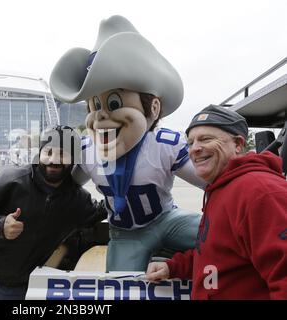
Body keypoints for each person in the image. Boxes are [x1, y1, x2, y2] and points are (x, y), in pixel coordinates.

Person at [50, 15, 205, 271]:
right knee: (118, 287)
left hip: (167, 219)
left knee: (221, 238)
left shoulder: (164, 145)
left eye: (113, 104)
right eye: (94, 106)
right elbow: (60, 188)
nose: (101, 115)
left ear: (153, 108)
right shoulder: (88, 151)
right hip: (125, 233)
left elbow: (212, 182)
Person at [146, 105, 287, 299]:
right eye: (190, 142)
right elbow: (217, 254)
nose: (195, 148)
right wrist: (174, 267)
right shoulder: (221, 188)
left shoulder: (260, 191)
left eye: (206, 139)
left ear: (238, 144)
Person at [0, 125, 107, 300]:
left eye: (62, 154)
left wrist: (121, 196)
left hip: (24, 290)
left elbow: (99, 212)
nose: (53, 160)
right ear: (40, 153)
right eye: (48, 152)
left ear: (74, 159)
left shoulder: (77, 199)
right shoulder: (13, 179)